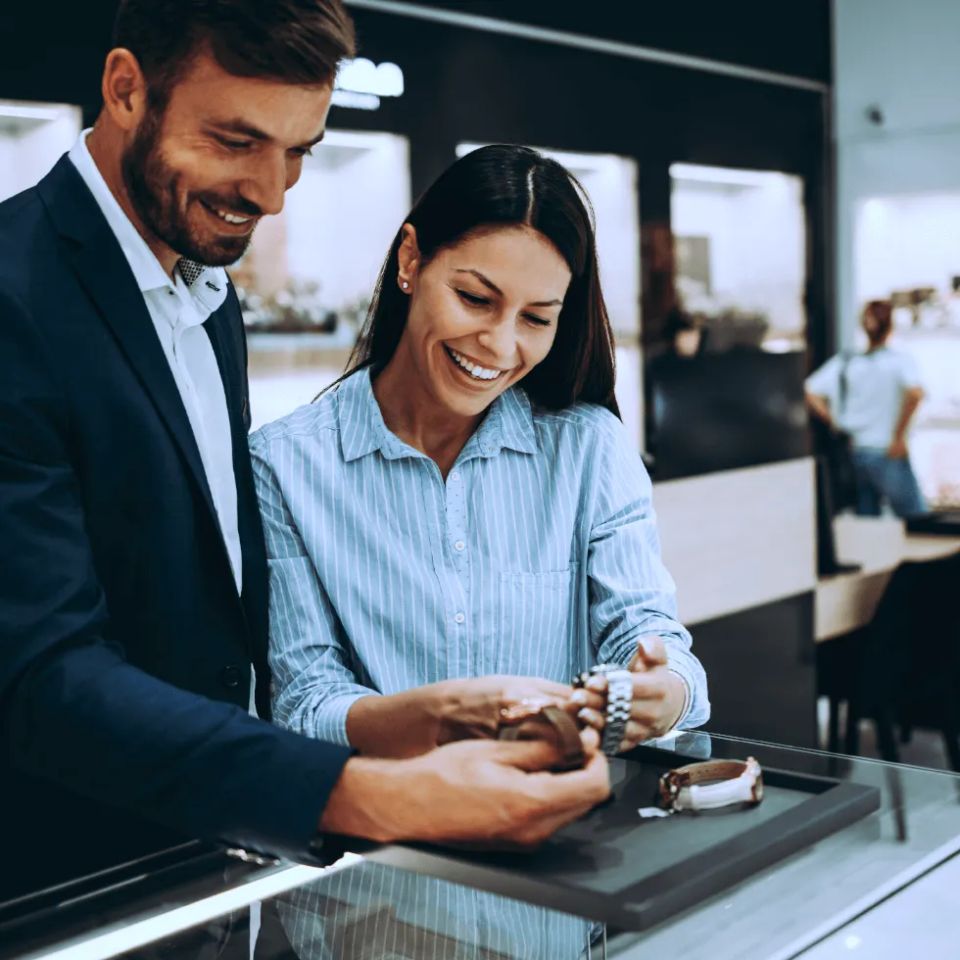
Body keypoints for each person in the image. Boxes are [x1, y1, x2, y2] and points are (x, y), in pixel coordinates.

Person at [0, 1, 609, 908]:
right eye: (237, 141)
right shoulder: (15, 298)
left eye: (299, 151)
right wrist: (363, 793)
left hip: (209, 867)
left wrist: (418, 719)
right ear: (126, 88)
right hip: (66, 885)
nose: (272, 193)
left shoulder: (206, 293)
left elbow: (198, 622)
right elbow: (40, 674)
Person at [251, 144, 709, 958]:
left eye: (537, 317)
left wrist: (658, 692)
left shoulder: (587, 449)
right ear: (410, 261)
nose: (500, 344)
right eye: (475, 298)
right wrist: (437, 714)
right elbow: (302, 707)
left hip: (551, 907)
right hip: (372, 908)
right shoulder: (286, 463)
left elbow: (656, 644)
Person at [806, 299, 927, 517]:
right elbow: (915, 394)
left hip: (856, 450)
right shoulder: (899, 361)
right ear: (890, 325)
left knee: (867, 519)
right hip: (886, 450)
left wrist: (835, 421)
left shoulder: (848, 361)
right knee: (916, 517)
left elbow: (810, 392)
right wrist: (899, 437)